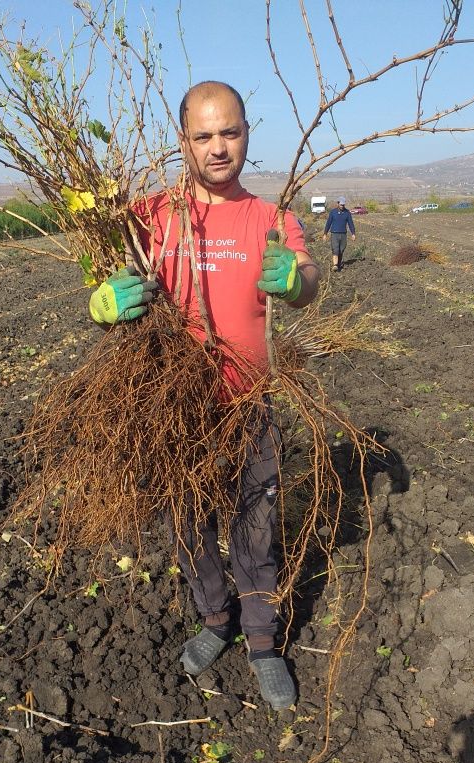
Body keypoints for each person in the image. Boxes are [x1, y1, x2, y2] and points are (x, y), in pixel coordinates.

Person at [88, 81, 320, 710]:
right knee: (190, 521)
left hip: (250, 404)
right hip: (178, 409)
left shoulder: (271, 219)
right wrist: (103, 302)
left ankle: (263, 639)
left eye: (232, 132)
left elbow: (310, 276)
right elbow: (109, 277)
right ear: (183, 139)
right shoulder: (151, 216)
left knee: (255, 525)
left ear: (247, 131)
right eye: (204, 135)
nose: (219, 148)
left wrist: (297, 279)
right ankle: (214, 621)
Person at [323, 197, 355, 271]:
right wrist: (325, 233)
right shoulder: (333, 212)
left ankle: (339, 264)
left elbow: (351, 223)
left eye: (343, 205)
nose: (342, 206)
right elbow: (328, 223)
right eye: (341, 205)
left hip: (343, 234)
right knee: (335, 249)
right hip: (334, 234)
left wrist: (353, 233)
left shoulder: (347, 213)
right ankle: (335, 265)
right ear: (338, 204)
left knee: (341, 249)